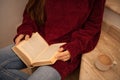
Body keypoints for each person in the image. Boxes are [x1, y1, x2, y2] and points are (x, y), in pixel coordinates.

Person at [0, 0, 106, 80]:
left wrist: (74, 47)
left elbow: (92, 27)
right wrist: (26, 29)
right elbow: (31, 9)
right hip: (37, 40)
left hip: (64, 50)